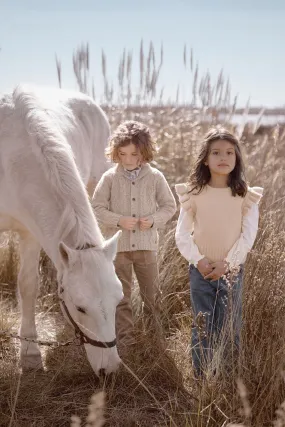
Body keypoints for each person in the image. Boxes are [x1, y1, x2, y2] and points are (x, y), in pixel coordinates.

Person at [175, 127, 263, 377]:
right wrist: (199, 260)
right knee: (203, 325)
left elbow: (248, 236)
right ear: (205, 159)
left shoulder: (245, 195)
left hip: (231, 270)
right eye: (216, 153)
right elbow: (182, 234)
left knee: (229, 325)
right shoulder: (194, 194)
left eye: (229, 153)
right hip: (200, 270)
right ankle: (202, 377)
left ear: (236, 159)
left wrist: (228, 264)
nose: (223, 157)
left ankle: (226, 376)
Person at [93, 120, 176, 355]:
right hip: (117, 249)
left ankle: (155, 340)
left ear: (144, 152)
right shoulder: (109, 178)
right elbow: (97, 208)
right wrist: (118, 220)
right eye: (122, 154)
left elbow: (169, 206)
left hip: (146, 247)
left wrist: (153, 220)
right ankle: (126, 342)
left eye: (134, 154)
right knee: (122, 297)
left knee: (152, 296)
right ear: (116, 152)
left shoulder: (155, 177)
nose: (128, 159)